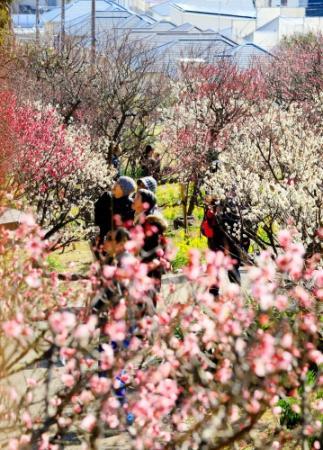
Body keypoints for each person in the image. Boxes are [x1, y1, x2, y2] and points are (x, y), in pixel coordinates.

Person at [201, 196, 250, 297]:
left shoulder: (214, 209)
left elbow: (204, 229)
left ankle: (218, 292)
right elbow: (204, 228)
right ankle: (230, 292)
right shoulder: (229, 207)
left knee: (220, 268)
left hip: (220, 244)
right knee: (227, 268)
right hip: (226, 244)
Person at [132, 189, 168, 298]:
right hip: (143, 266)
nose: (133, 200)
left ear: (145, 203)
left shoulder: (150, 222)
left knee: (147, 300)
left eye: (137, 197)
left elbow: (153, 248)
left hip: (149, 268)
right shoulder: (139, 217)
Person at [94, 176, 136, 250]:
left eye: (118, 184)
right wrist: (97, 231)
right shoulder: (106, 197)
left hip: (119, 239)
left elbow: (129, 224)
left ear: (124, 189)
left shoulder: (130, 204)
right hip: (102, 235)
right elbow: (97, 214)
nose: (115, 184)